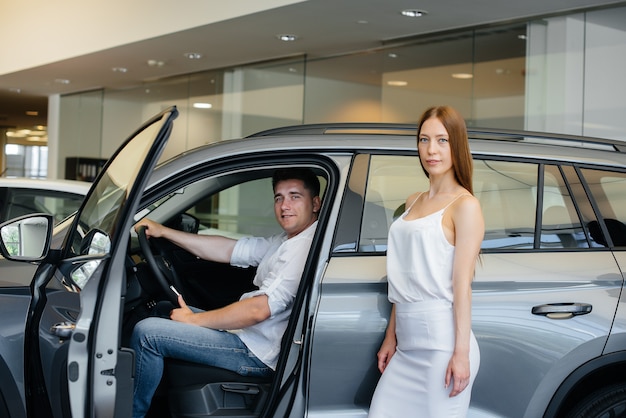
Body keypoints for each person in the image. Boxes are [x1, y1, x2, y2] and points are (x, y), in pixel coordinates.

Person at [130, 168, 321, 418]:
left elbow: (257, 310)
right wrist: (164, 231)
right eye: (278, 197)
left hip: (256, 352)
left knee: (147, 334)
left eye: (295, 196)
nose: (285, 205)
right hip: (248, 337)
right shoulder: (286, 240)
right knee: (164, 310)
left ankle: (132, 413)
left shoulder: (303, 246)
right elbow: (229, 249)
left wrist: (194, 319)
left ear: (315, 203)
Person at [368, 106, 484, 417]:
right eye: (424, 140)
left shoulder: (465, 206)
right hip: (406, 345)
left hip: (442, 347)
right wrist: (391, 336)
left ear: (456, 144)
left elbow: (462, 285)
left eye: (442, 140)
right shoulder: (412, 201)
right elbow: (403, 276)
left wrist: (461, 354)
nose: (431, 150)